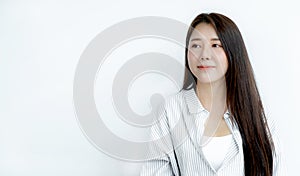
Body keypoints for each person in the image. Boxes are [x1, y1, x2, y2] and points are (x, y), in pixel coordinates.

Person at [140, 13, 283, 175]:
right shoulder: (170, 110)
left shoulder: (256, 115)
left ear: (233, 53)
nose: (204, 55)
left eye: (216, 45)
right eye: (196, 46)